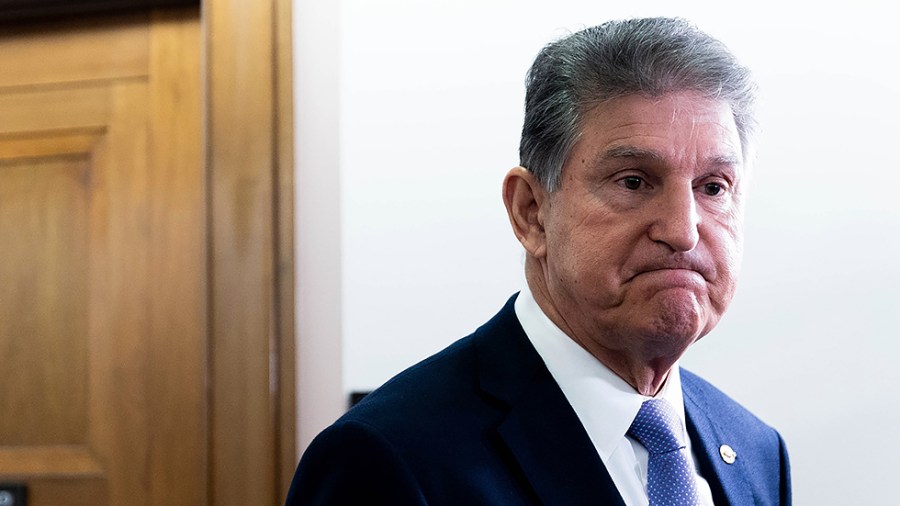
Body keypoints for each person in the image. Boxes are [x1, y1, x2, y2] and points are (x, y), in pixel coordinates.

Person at [286, 17, 791, 505]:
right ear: (531, 212)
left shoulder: (755, 451)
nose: (682, 231)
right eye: (634, 181)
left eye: (713, 187)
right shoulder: (390, 459)